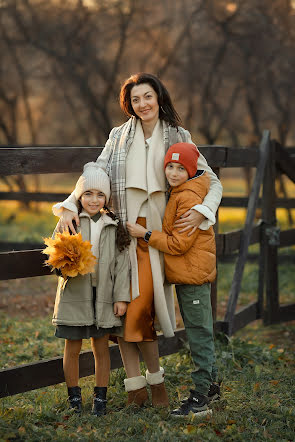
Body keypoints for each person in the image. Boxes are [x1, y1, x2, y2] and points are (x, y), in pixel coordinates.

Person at [52, 73, 222, 408]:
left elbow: (211, 180)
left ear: (159, 97)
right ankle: (139, 390)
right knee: (126, 311)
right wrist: (71, 204)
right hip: (124, 234)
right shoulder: (118, 137)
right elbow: (94, 176)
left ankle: (158, 388)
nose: (142, 104)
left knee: (141, 310)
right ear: (128, 104)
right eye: (135, 99)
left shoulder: (178, 135)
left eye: (147, 96)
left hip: (159, 235)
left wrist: (203, 211)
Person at [127, 142, 218, 418]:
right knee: (201, 329)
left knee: (199, 333)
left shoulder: (187, 198)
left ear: (192, 171)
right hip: (190, 273)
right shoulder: (181, 191)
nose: (174, 173)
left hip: (193, 275)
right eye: (170, 166)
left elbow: (178, 244)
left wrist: (144, 234)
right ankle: (211, 387)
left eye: (181, 168)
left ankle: (201, 396)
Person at [51, 163, 130, 416]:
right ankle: (74, 399)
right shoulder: (69, 220)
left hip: (104, 293)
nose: (93, 200)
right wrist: (65, 265)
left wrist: (121, 297)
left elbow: (122, 265)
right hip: (75, 293)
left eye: (99, 195)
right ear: (79, 196)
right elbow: (54, 256)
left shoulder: (113, 224)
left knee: (101, 347)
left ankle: (100, 400)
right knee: (72, 346)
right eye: (87, 194)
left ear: (106, 197)